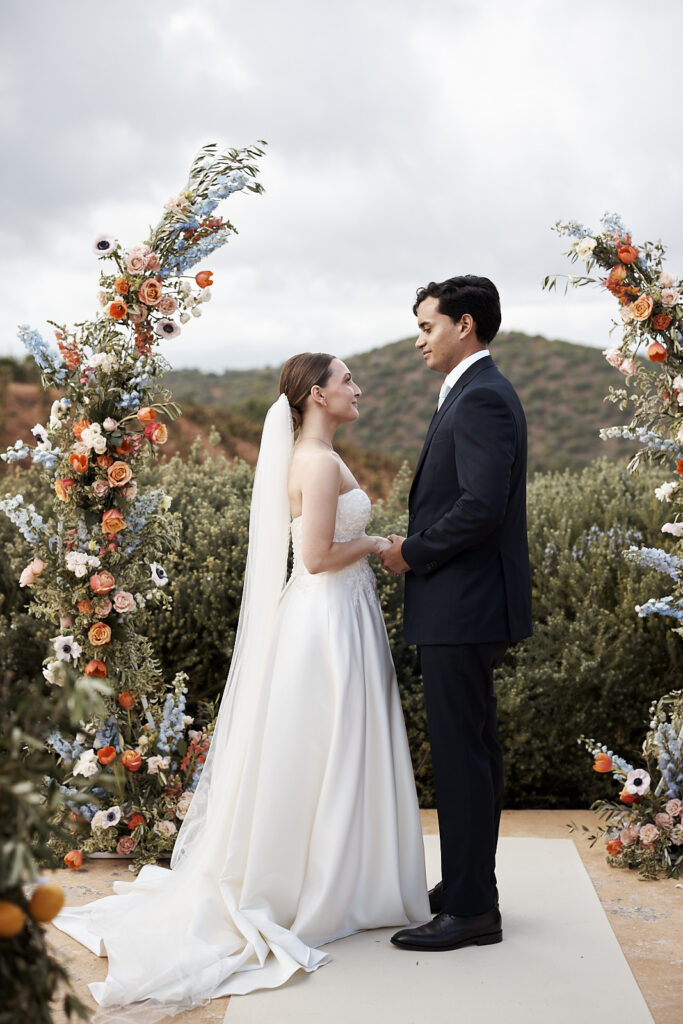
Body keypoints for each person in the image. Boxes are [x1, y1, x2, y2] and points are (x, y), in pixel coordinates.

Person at [53, 352, 429, 1022]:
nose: (359, 389)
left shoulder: (318, 455)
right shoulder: (313, 463)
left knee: (335, 745)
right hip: (325, 619)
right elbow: (313, 557)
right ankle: (329, 884)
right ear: (317, 394)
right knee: (330, 745)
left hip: (340, 613)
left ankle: (349, 874)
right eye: (347, 382)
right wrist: (377, 544)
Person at [381, 276, 532, 952]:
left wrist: (410, 553)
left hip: (462, 604)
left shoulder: (480, 399)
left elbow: (479, 506)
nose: (419, 340)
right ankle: (470, 885)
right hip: (465, 603)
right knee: (473, 751)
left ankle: (470, 909)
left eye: (426, 326)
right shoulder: (475, 392)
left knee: (462, 755)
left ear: (463, 325)